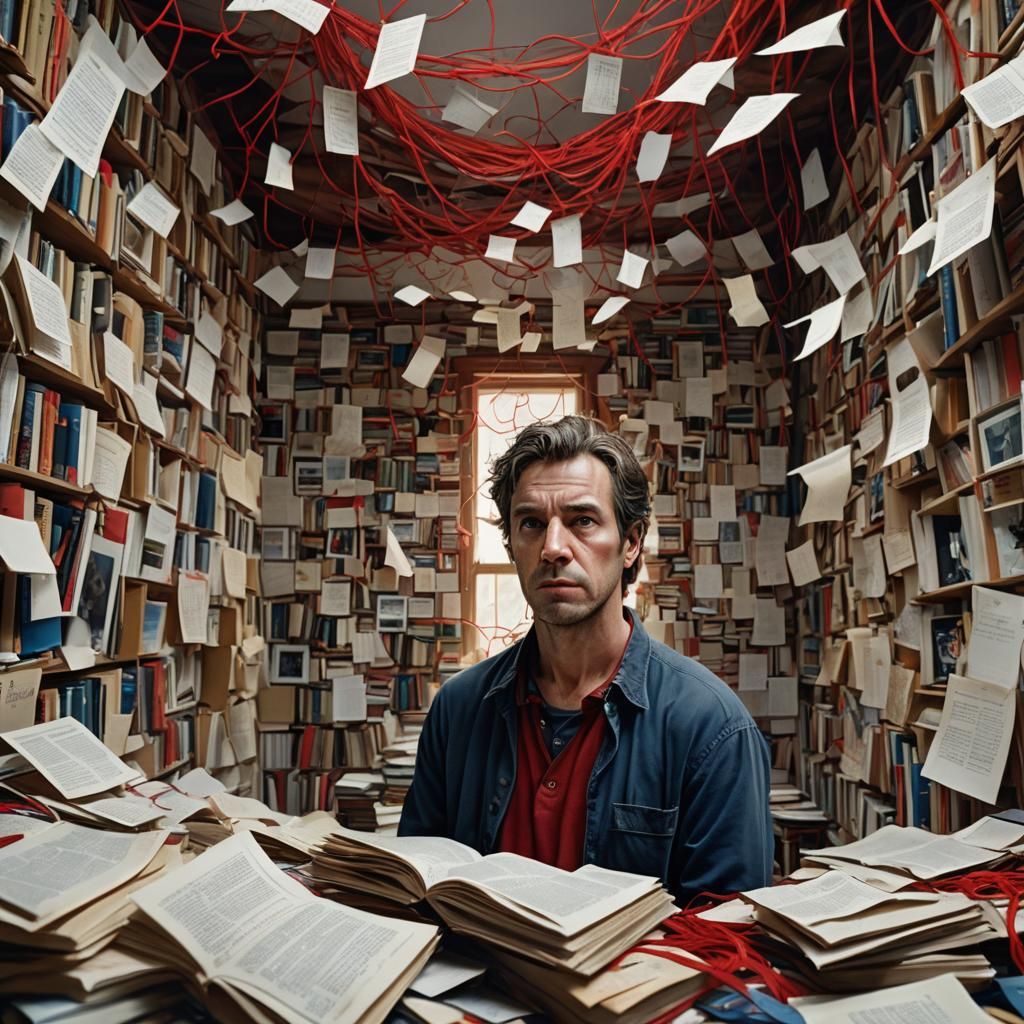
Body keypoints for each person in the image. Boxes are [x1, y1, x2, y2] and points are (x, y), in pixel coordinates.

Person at [399, 415, 773, 904]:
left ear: (631, 542)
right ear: (512, 544)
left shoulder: (713, 729)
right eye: (531, 523)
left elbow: (727, 946)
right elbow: (415, 896)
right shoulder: (457, 710)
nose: (553, 547)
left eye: (582, 521)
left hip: (638, 983)